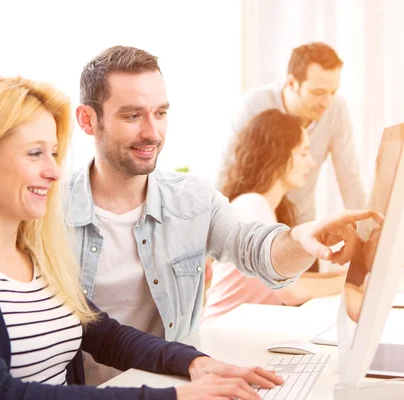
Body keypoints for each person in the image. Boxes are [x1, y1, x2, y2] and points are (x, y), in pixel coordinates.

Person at [0, 75, 287, 400]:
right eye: (35, 153)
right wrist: (173, 396)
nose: (54, 172)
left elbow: (105, 335)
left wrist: (197, 363)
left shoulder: (34, 252)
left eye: (55, 153)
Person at [67, 45, 374, 385]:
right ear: (87, 120)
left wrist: (303, 239)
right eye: (132, 116)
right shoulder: (49, 214)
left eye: (161, 113)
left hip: (176, 384)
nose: (152, 133)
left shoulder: (193, 200)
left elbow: (257, 248)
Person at [203, 109, 348, 323]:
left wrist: (344, 276)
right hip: (222, 334)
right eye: (303, 153)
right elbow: (291, 292)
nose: (311, 162)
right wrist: (350, 282)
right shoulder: (252, 205)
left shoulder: (264, 207)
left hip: (240, 330)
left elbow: (287, 279)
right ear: (279, 154)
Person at [230, 42, 366, 225]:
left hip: (299, 222)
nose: (327, 102)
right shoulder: (253, 106)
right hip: (253, 224)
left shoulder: (337, 110)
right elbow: (226, 170)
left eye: (333, 92)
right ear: (292, 83)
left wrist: (366, 233)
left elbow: (350, 178)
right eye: (318, 92)